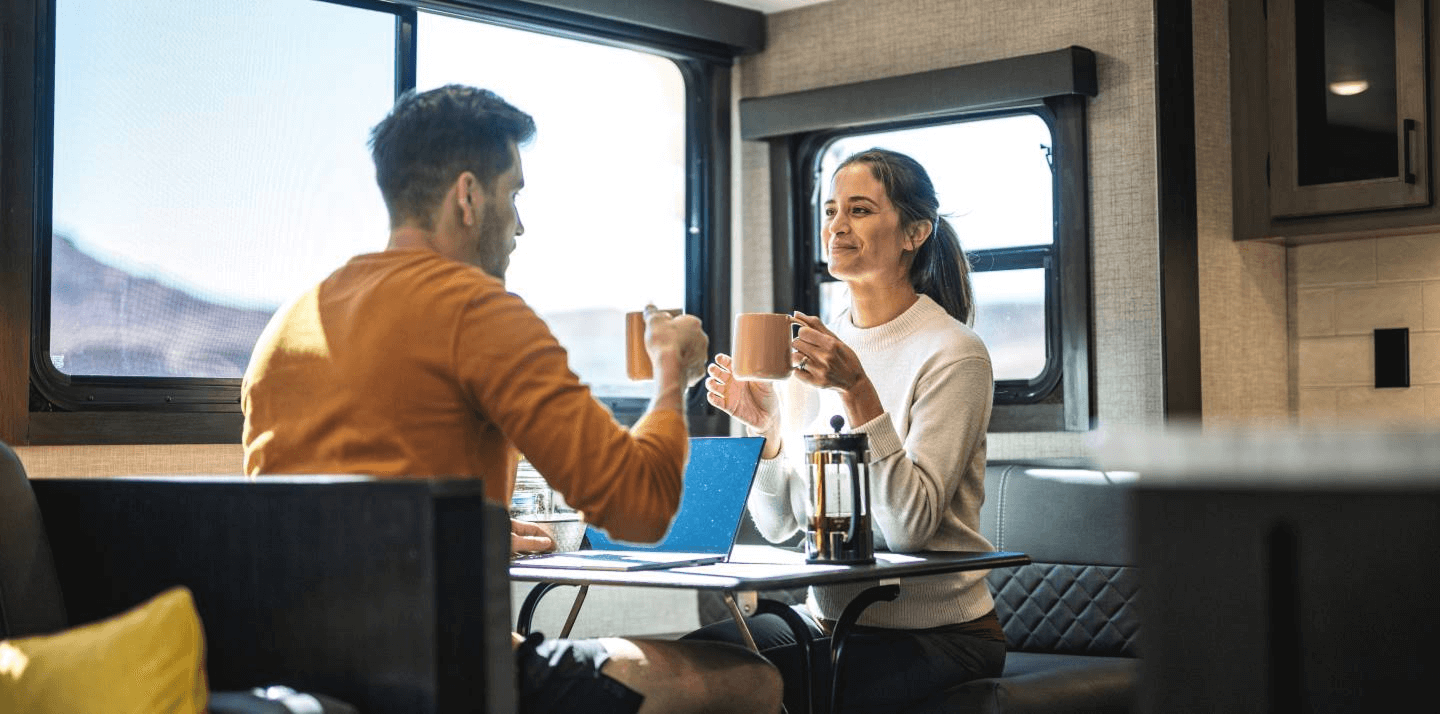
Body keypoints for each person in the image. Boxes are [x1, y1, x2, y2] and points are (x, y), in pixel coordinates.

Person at [241, 84, 781, 714]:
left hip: (303, 669)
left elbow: (319, 517)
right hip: (449, 674)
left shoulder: (287, 325)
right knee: (752, 677)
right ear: (468, 197)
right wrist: (670, 373)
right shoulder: (476, 309)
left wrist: (477, 536)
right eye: (514, 194)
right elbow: (640, 507)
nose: (521, 225)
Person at [688, 148, 1002, 713]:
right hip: (829, 620)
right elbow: (783, 526)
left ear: (914, 233)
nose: (836, 225)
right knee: (691, 663)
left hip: (940, 637)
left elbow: (909, 527)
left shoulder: (954, 353)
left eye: (859, 210)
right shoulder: (816, 347)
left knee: (742, 691)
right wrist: (768, 432)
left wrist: (858, 391)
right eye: (831, 210)